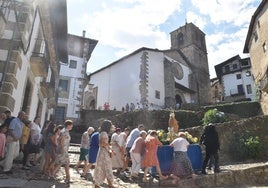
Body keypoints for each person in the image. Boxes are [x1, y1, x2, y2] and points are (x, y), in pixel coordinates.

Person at [93, 120, 115, 188]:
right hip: (104, 153)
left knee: (102, 168)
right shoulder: (104, 133)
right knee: (107, 168)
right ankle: (109, 185)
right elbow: (102, 143)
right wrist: (109, 146)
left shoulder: (102, 133)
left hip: (103, 152)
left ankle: (99, 184)